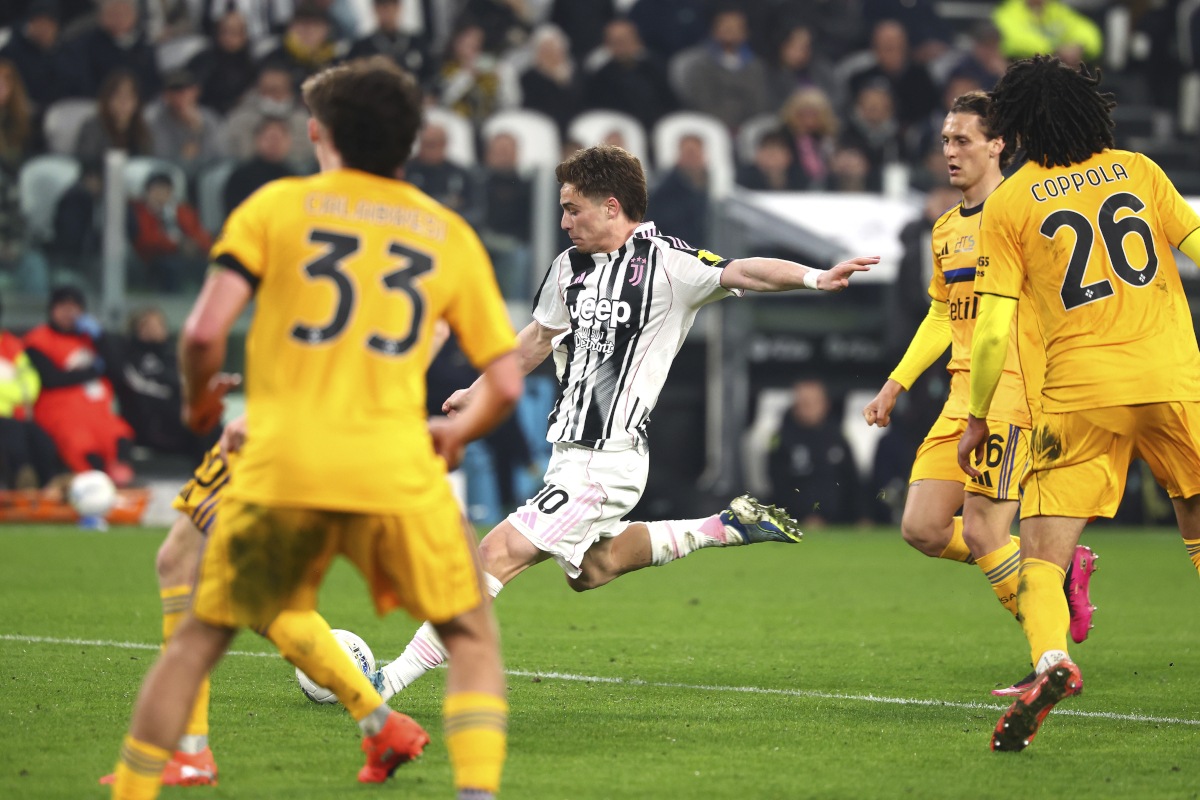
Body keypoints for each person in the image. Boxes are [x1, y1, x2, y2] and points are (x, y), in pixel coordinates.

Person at [108, 60, 523, 800]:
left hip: (282, 456)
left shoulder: (276, 207)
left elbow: (203, 334)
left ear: (316, 133)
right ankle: (472, 790)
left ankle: (140, 786)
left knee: (197, 634)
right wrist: (453, 437)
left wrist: (204, 408)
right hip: (393, 463)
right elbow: (507, 380)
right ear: (410, 144)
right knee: (468, 636)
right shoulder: (449, 234)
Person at [370, 143, 878, 702]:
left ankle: (387, 681)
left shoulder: (667, 263)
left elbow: (744, 271)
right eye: (563, 210)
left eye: (573, 209)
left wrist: (813, 278)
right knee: (594, 568)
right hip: (570, 454)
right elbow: (538, 338)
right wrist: (478, 389)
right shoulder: (569, 267)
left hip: (606, 461)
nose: (564, 223)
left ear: (612, 207)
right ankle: (722, 528)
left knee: (492, 556)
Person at [956, 56, 1200, 751]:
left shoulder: (1011, 202)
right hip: (1173, 379)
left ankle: (1052, 661)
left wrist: (978, 415)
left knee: (1041, 554)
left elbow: (996, 324)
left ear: (1016, 124)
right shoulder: (1138, 170)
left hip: (1079, 394)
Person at [864, 89, 1096, 700]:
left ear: (998, 145)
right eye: (945, 140)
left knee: (988, 532)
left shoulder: (1023, 215)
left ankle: (1049, 661)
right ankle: (1053, 570)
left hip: (1012, 393)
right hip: (960, 396)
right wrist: (897, 381)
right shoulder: (946, 228)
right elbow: (944, 313)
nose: (950, 151)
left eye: (963, 139)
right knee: (922, 527)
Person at [22, 286, 135, 485]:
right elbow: (51, 379)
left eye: (74, 306)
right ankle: (98, 488)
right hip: (60, 413)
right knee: (82, 447)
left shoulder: (90, 338)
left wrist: (101, 337)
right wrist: (92, 372)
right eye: (62, 306)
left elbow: (118, 370)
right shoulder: (37, 340)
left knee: (119, 436)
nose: (69, 312)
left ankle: (119, 482)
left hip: (98, 412)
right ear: (52, 309)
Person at [107, 308, 217, 461]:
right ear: (136, 329)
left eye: (158, 325)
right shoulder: (128, 357)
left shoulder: (174, 357)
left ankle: (214, 477)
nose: (153, 330)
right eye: (146, 326)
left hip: (178, 422)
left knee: (212, 426)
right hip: (147, 425)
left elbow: (186, 386)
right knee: (199, 430)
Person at [769, 380, 858, 526]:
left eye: (814, 402)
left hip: (839, 524)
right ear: (795, 406)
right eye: (804, 403)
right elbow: (779, 486)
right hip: (795, 523)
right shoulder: (781, 441)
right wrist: (805, 516)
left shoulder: (838, 438)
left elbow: (852, 481)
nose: (809, 408)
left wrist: (863, 516)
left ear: (826, 404)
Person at [672, 7, 771, 130]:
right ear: (714, 30)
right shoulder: (700, 65)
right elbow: (703, 103)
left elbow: (759, 104)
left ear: (746, 33)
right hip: (710, 127)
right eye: (726, 26)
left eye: (736, 27)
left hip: (748, 130)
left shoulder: (756, 67)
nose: (730, 30)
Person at [0, 300, 63, 489]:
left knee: (42, 440)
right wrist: (16, 392)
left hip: (16, 418)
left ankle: (48, 487)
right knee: (14, 439)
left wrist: (10, 392)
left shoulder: (10, 345)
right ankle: (22, 486)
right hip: (8, 420)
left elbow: (31, 382)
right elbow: (22, 389)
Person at [584, 18, 675, 131]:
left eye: (626, 39)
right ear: (607, 45)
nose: (622, 45)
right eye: (616, 41)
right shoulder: (600, 78)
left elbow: (670, 105)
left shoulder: (656, 69)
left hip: (658, 128)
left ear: (638, 40)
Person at [847, 20, 939, 130]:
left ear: (906, 47)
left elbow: (929, 115)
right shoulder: (859, 79)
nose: (889, 53)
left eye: (894, 47)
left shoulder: (922, 78)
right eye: (883, 47)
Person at [129, 172, 212, 292]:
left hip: (188, 255)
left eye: (165, 192)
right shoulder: (141, 212)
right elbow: (145, 240)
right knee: (171, 268)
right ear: (147, 193)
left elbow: (200, 233)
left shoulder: (182, 211)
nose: (160, 196)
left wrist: (195, 244)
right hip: (155, 258)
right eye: (156, 192)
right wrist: (176, 245)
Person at [222, 65, 314, 172]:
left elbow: (311, 152)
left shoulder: (302, 120)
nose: (273, 95)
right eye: (268, 90)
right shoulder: (239, 119)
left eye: (278, 90)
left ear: (289, 90)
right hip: (249, 171)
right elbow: (225, 148)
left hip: (294, 173)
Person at [478, 132, 532, 298]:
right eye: (498, 152)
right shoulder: (475, 182)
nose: (502, 156)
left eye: (506, 151)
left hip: (512, 246)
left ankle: (515, 314)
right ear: (488, 155)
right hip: (479, 243)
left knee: (521, 257)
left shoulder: (527, 187)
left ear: (517, 154)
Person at [71, 0, 162, 98]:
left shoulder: (146, 45)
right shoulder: (86, 46)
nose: (119, 19)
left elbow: (154, 82)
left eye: (124, 14)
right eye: (114, 14)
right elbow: (84, 82)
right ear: (101, 17)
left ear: (135, 16)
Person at [147, 69, 226, 178]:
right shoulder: (155, 119)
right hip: (168, 177)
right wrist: (184, 156)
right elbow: (162, 159)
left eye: (185, 91)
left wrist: (197, 129)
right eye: (175, 92)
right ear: (166, 95)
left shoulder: (209, 118)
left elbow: (219, 156)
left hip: (204, 177)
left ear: (196, 91)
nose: (180, 97)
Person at [436, 23, 520, 125]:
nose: (473, 44)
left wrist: (505, 79)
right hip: (454, 124)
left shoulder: (492, 71)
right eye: (467, 40)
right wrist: (468, 75)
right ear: (456, 43)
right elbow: (444, 101)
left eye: (477, 42)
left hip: (488, 124)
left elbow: (512, 105)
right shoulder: (444, 69)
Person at [0, 0, 76, 108]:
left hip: (64, 110)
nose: (44, 28)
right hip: (25, 113)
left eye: (50, 23)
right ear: (30, 24)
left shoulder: (69, 52)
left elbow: (78, 83)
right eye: (39, 22)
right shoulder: (10, 53)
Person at [404, 121, 481, 224]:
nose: (433, 149)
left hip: (449, 228)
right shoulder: (406, 170)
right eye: (429, 144)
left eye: (438, 143)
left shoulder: (461, 175)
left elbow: (476, 211)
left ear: (445, 144)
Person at [993, 0, 1102, 67]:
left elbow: (1088, 31)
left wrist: (1078, 45)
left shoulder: (1057, 10)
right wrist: (1054, 51)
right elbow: (1013, 40)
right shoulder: (1008, 11)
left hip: (1060, 71)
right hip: (1025, 73)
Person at [75, 69, 154, 163]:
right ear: (107, 99)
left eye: (129, 97)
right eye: (118, 97)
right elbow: (86, 164)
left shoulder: (142, 130)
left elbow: (148, 163)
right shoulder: (91, 129)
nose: (123, 103)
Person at [519, 24, 585, 135]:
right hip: (544, 129)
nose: (550, 53)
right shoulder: (528, 78)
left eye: (553, 48)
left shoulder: (579, 72)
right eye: (545, 49)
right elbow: (531, 109)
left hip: (578, 126)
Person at [263, 4, 345, 91]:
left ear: (327, 30)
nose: (309, 31)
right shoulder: (274, 59)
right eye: (302, 25)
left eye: (315, 25)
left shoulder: (337, 60)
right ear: (290, 28)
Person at [186, 11, 255, 115]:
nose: (228, 38)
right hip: (205, 114)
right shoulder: (204, 59)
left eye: (234, 33)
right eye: (224, 32)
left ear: (244, 35)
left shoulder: (251, 62)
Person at [347, 0, 432, 83]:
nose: (388, 13)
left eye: (391, 7)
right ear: (375, 9)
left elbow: (431, 76)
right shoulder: (361, 47)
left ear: (399, 8)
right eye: (383, 8)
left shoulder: (417, 43)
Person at [646, 133, 707, 247]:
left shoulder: (714, 186)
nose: (692, 158)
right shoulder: (663, 190)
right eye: (688, 153)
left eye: (695, 153)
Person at [838, 83, 901, 193]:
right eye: (872, 106)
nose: (876, 110)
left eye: (881, 106)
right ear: (859, 107)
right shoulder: (846, 135)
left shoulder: (897, 138)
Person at [222, 117, 292, 213]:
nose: (274, 143)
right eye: (270, 138)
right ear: (258, 139)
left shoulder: (293, 178)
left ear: (288, 142)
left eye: (279, 138)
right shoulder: (240, 177)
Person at [779, 87, 838, 190]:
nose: (808, 120)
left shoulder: (830, 138)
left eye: (813, 114)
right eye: (802, 114)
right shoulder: (782, 139)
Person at [767, 24, 838, 110]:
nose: (801, 53)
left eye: (805, 47)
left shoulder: (821, 68)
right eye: (795, 47)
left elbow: (838, 97)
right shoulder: (769, 75)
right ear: (782, 47)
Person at [737, 130, 806, 191]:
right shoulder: (744, 179)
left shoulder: (800, 178)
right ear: (757, 155)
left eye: (776, 152)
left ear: (788, 155)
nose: (772, 159)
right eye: (768, 152)